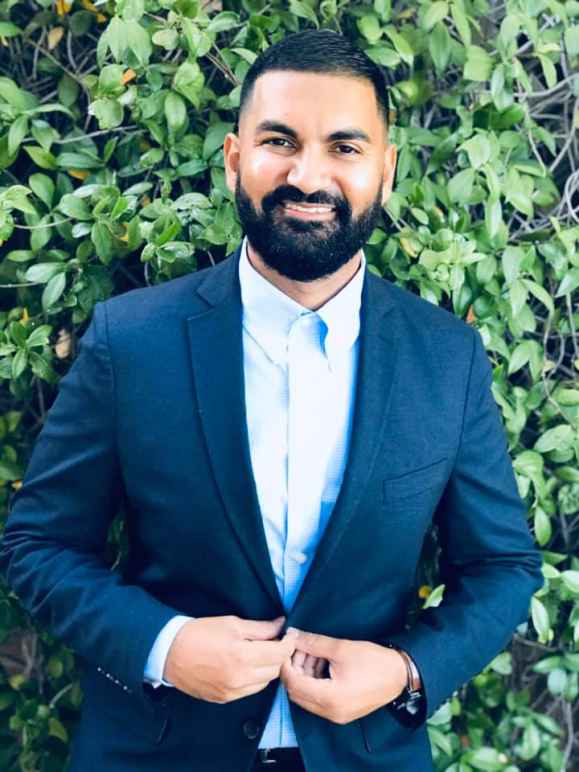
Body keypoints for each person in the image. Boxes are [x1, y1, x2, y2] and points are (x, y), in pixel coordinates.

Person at [0, 28, 543, 772]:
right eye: (278, 141)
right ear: (234, 159)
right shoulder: (130, 340)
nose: (307, 175)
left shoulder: (445, 357)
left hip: (363, 754)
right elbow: (39, 545)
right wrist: (165, 645)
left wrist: (404, 670)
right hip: (156, 752)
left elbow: (502, 566)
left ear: (385, 170)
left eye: (344, 148)